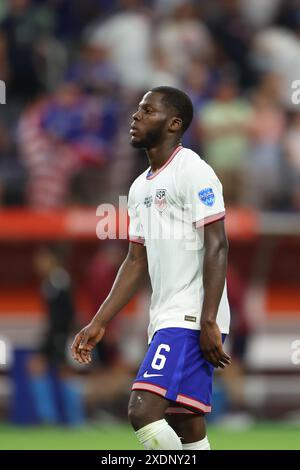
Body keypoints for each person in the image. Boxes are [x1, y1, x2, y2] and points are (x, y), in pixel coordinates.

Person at [71, 86, 231, 450]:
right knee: (186, 424)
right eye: (138, 110)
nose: (136, 116)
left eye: (147, 111)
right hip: (164, 317)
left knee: (142, 411)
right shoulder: (140, 187)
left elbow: (218, 244)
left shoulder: (193, 170)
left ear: (174, 124)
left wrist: (208, 319)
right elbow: (135, 260)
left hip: (189, 317)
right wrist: (100, 320)